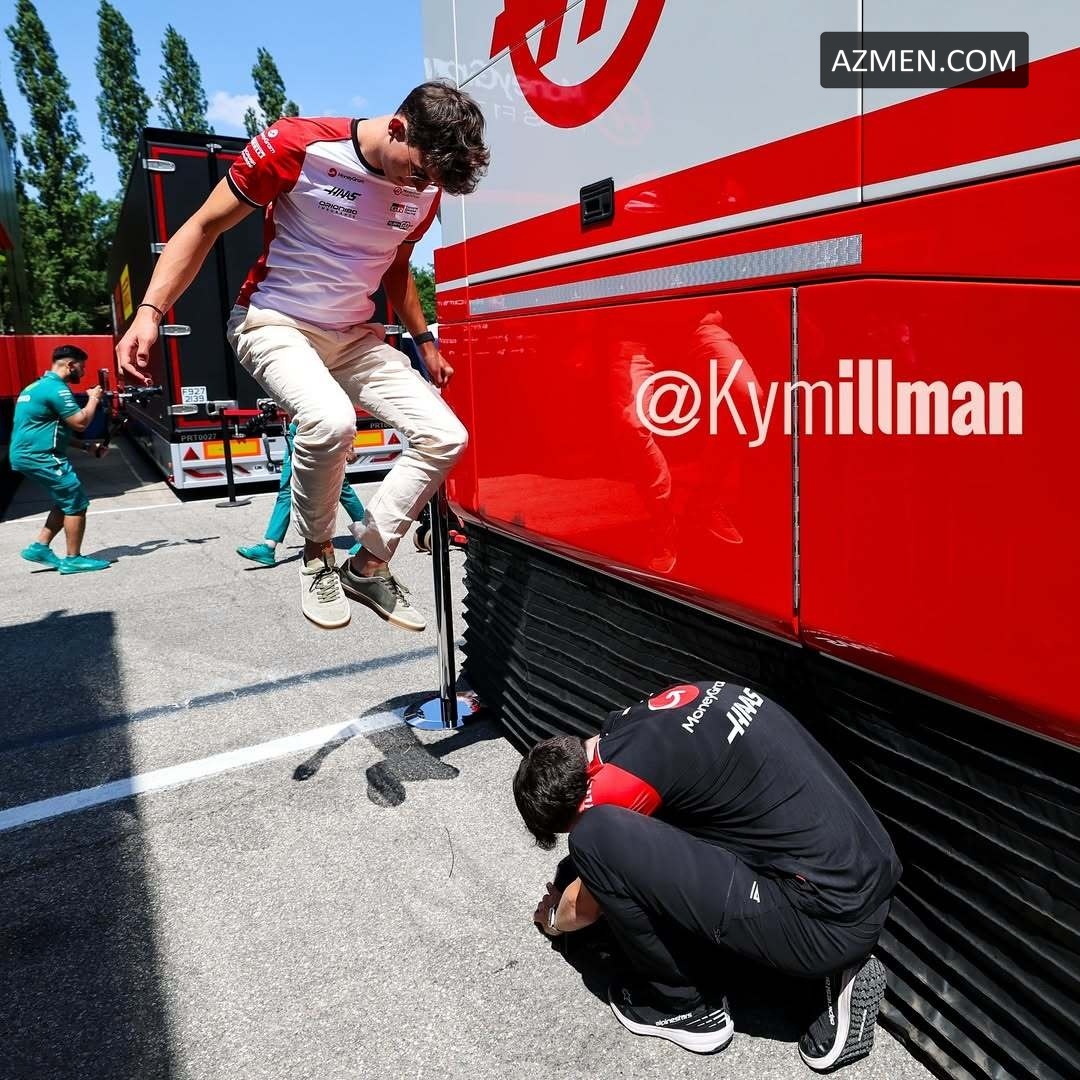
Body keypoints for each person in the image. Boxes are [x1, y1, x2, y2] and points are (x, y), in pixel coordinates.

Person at [116, 82, 489, 631]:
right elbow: (203, 225)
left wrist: (424, 341)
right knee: (330, 420)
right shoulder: (299, 145)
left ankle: (368, 565)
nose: (418, 187)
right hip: (275, 321)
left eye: (429, 182)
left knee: (445, 436)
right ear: (397, 128)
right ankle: (317, 557)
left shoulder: (426, 190)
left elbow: (396, 268)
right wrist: (150, 311)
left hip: (354, 336)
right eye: (417, 172)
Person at [514, 680, 902, 1068]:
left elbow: (584, 905)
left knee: (594, 842)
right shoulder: (637, 722)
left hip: (828, 925)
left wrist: (553, 920)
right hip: (866, 870)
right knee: (606, 850)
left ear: (579, 804)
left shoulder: (612, 791)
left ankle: (683, 1007)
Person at [10, 345, 111, 575]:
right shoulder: (56, 389)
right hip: (41, 456)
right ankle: (73, 559)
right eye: (82, 367)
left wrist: (86, 446)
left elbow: (47, 429)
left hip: (29, 454)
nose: (83, 372)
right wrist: (93, 399)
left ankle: (39, 548)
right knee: (76, 502)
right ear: (70, 365)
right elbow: (80, 422)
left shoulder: (35, 386)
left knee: (65, 498)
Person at [237, 421, 365, 567]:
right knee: (286, 491)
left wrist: (349, 445)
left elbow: (339, 413)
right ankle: (269, 547)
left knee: (341, 486)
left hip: (318, 436)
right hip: (296, 436)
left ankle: (368, 537)